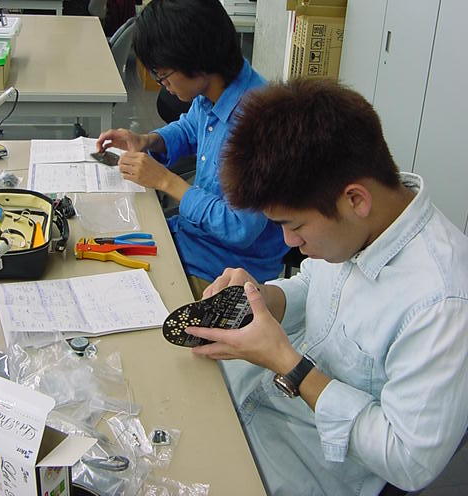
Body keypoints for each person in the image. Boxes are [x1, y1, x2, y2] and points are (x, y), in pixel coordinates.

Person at [184, 79, 468, 496]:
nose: (289, 242)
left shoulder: (442, 303)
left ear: (355, 200)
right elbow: (313, 284)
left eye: (294, 225)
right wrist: (263, 299)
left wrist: (290, 365)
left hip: (306, 463)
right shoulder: (356, 228)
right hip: (249, 399)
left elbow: (408, 461)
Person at [96, 0, 288, 299]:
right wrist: (148, 140)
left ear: (197, 61)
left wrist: (166, 181)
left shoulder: (261, 124)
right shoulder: (218, 87)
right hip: (191, 239)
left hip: (225, 272)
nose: (163, 85)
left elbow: (239, 227)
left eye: (163, 75)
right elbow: (189, 129)